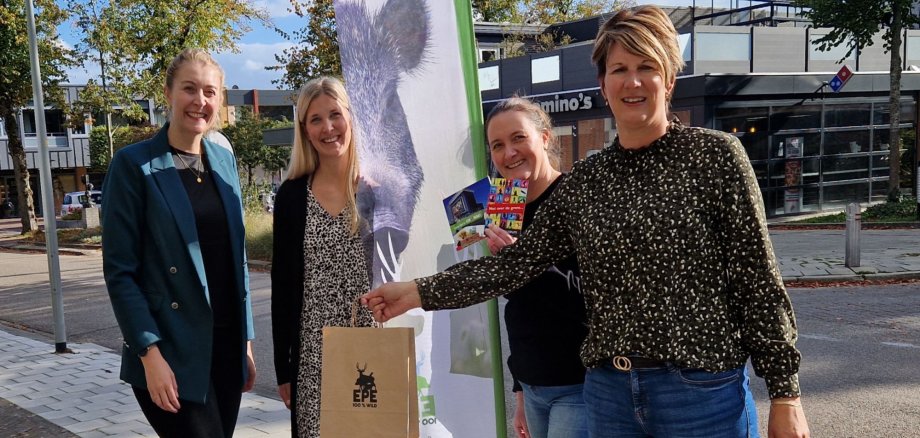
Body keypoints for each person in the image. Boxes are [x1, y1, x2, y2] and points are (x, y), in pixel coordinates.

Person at [363, 6, 810, 438]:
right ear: (603, 83)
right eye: (619, 69)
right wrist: (418, 292)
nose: (632, 81)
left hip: (699, 394)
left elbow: (758, 281)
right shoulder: (587, 181)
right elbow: (512, 266)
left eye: (646, 66)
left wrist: (785, 394)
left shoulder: (715, 158)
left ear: (669, 79)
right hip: (609, 395)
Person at [102, 48, 256, 437]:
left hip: (224, 345)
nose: (199, 101)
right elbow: (121, 273)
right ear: (168, 92)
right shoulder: (133, 165)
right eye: (189, 89)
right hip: (170, 349)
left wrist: (247, 341)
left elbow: (235, 259)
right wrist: (148, 354)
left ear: (219, 99)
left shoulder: (223, 158)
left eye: (210, 91)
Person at [270, 76, 375, 438]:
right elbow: (282, 287)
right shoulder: (292, 196)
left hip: (375, 344)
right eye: (316, 119)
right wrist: (283, 368)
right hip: (315, 351)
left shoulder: (379, 189)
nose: (328, 127)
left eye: (335, 114)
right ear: (305, 130)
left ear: (351, 117)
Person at [483, 97, 588, 438]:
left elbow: (587, 299)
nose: (508, 153)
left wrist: (523, 262)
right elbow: (519, 307)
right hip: (532, 385)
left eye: (518, 138)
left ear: (544, 138)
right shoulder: (504, 206)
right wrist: (519, 392)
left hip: (580, 384)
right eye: (497, 145)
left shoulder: (575, 197)